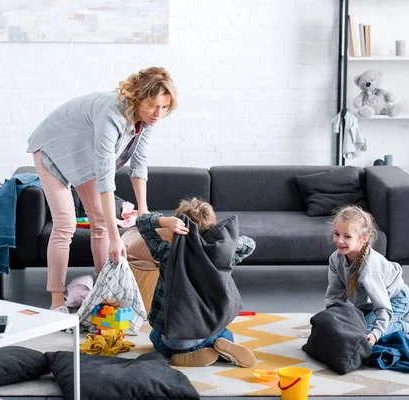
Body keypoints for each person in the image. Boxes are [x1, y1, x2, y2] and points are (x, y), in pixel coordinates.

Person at [26, 67, 178, 314]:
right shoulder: (112, 113)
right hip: (52, 149)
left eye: (164, 107)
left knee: (100, 223)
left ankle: (104, 292)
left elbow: (139, 164)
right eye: (153, 106)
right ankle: (56, 304)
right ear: (138, 98)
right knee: (65, 225)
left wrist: (144, 211)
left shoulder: (147, 119)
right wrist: (116, 237)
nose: (158, 113)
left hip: (83, 156)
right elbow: (106, 180)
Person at [137, 197, 258, 368]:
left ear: (177, 228)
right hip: (208, 332)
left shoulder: (167, 254)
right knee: (223, 333)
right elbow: (250, 245)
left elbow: (141, 223)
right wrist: (226, 243)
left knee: (155, 337)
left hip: (173, 340)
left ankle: (183, 354)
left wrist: (163, 221)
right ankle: (220, 345)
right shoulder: (222, 256)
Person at [325, 205, 409, 345]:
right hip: (368, 303)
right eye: (336, 234)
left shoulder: (370, 269)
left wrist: (376, 333)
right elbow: (334, 296)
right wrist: (332, 319)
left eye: (347, 236)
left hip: (395, 300)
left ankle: (408, 324)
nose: (339, 240)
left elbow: (383, 306)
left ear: (363, 239)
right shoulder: (335, 259)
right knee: (348, 330)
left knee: (365, 336)